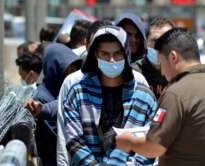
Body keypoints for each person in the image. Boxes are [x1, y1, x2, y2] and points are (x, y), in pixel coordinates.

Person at [116, 27, 205, 166]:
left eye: (162, 63)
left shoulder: (174, 94)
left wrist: (128, 141)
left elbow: (154, 148)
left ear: (173, 57)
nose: (163, 73)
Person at [60, 25, 158, 165]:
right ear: (95, 55)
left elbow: (151, 142)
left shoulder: (144, 98)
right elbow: (75, 141)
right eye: (105, 54)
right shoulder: (77, 93)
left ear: (126, 54)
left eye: (118, 53)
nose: (112, 60)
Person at [56, 19, 114, 166]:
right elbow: (65, 136)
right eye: (98, 46)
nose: (107, 56)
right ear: (87, 45)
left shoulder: (137, 82)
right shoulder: (73, 83)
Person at [24, 43, 83, 166]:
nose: (73, 73)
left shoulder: (65, 90)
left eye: (75, 68)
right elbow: (55, 138)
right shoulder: (42, 98)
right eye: (69, 68)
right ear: (55, 67)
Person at [132, 17, 175, 99]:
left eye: (166, 40)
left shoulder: (178, 74)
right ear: (145, 43)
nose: (160, 46)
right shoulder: (134, 73)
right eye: (155, 40)